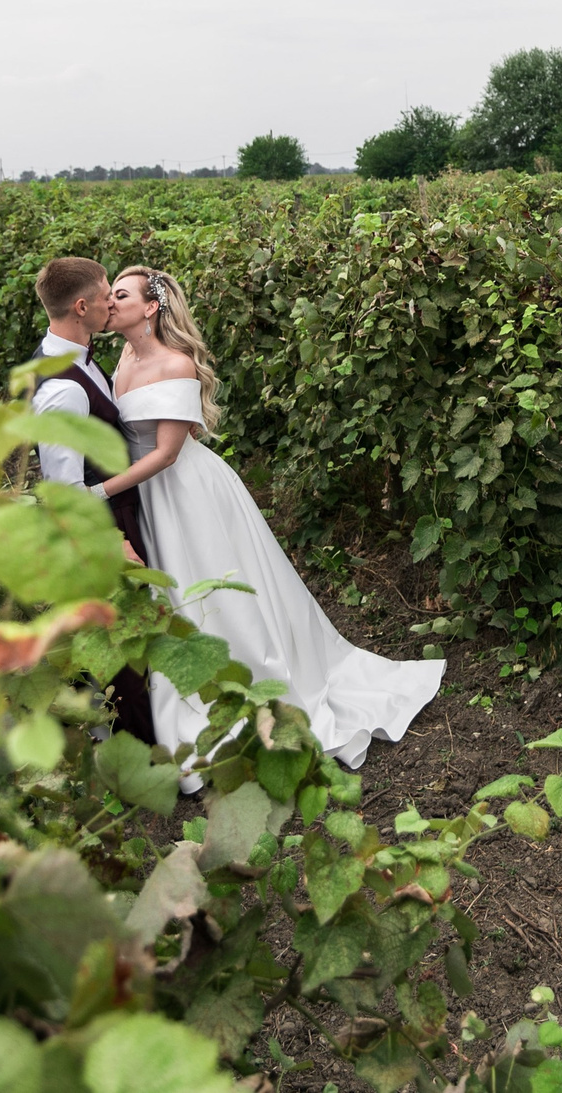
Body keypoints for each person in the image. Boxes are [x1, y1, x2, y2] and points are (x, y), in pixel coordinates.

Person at [94, 265, 443, 767]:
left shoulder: (175, 364)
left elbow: (168, 452)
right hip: (147, 496)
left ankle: (240, 691)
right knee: (172, 593)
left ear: (150, 307)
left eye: (119, 295)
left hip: (184, 492)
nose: (109, 302)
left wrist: (97, 490)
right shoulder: (124, 353)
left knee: (212, 591)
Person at [26, 256, 159, 743]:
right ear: (81, 307)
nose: (112, 301)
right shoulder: (64, 389)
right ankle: (140, 751)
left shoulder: (71, 356)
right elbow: (64, 492)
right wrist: (113, 540)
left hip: (114, 509)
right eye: (106, 295)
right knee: (120, 637)